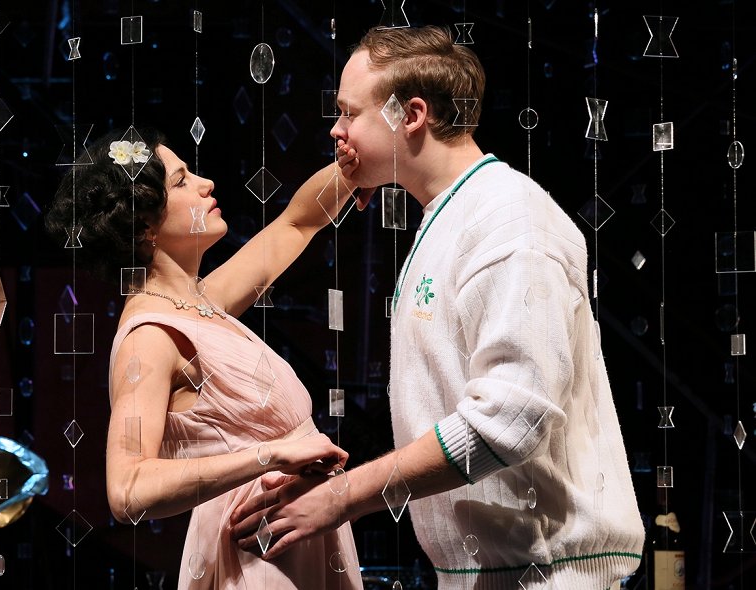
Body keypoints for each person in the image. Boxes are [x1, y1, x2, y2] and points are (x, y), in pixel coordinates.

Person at [229, 25, 645, 588]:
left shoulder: (509, 220)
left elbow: (510, 420)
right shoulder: (452, 216)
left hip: (548, 575)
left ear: (412, 114)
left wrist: (342, 497)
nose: (335, 129)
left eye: (349, 113)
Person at [46, 128, 364, 589]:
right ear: (145, 225)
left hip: (295, 538)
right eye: (181, 181)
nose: (205, 183)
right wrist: (270, 454)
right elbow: (127, 489)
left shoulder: (201, 303)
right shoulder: (150, 337)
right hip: (256, 553)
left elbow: (296, 223)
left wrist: (355, 167)